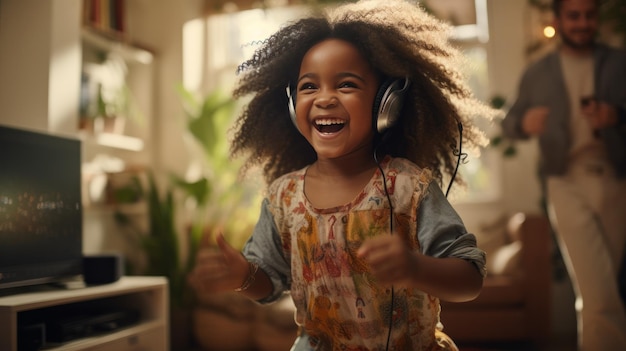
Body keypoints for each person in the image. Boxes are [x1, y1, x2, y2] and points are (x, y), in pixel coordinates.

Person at [188, 0, 494, 349]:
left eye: (345, 85)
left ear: (385, 103)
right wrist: (244, 277)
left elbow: (470, 280)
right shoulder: (283, 197)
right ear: (290, 106)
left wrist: (415, 267)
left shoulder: (409, 187)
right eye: (308, 87)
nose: (324, 99)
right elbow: (269, 283)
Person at [501, 0, 626, 349]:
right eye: (574, 15)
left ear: (596, 18)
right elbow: (509, 123)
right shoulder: (538, 72)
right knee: (598, 292)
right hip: (565, 181)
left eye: (589, 15)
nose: (582, 23)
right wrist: (524, 124)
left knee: (603, 290)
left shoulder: (619, 63)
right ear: (558, 20)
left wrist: (617, 116)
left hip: (617, 179)